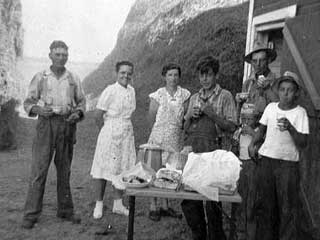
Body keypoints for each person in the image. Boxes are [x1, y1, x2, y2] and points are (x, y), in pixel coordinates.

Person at [21, 40, 86, 229]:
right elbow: (28, 102)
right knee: (39, 170)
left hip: (66, 125)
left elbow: (81, 102)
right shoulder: (41, 77)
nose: (61, 58)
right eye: (57, 54)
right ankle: (31, 214)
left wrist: (77, 113)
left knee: (64, 171)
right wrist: (39, 110)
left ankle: (65, 210)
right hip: (46, 125)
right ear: (50, 55)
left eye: (64, 54)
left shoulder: (73, 78)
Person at [181, 56, 237, 240]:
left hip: (216, 155)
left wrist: (211, 114)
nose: (204, 79)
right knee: (189, 200)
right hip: (196, 154)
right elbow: (186, 129)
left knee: (213, 204)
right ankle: (199, 235)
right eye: (201, 75)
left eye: (209, 75)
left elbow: (232, 127)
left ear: (216, 75)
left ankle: (215, 236)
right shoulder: (194, 97)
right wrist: (190, 116)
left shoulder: (225, 96)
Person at [248, 71, 309, 240]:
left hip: (288, 165)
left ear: (296, 93)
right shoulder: (271, 108)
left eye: (290, 89)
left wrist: (290, 127)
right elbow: (261, 131)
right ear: (278, 91)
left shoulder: (300, 113)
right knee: (266, 206)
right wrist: (253, 144)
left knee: (287, 209)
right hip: (267, 161)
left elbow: (303, 143)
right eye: (282, 89)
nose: (286, 93)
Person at [90, 61, 136, 219]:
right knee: (103, 168)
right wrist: (106, 131)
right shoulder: (110, 90)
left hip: (126, 135)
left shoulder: (132, 91)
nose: (126, 75)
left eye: (129, 73)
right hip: (110, 133)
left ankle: (118, 204)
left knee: (122, 168)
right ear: (116, 73)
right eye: (123, 72)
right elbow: (97, 115)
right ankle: (99, 204)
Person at [147, 63, 190, 221]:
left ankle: (165, 206)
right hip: (158, 138)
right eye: (170, 75)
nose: (173, 78)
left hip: (176, 138)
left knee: (169, 171)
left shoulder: (184, 95)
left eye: (176, 75)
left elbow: (186, 117)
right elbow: (151, 117)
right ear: (164, 77)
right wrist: (157, 134)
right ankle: (153, 206)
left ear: (179, 77)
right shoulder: (157, 94)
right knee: (154, 170)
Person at [232, 103, 261, 240]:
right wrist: (235, 142)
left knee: (252, 203)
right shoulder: (239, 131)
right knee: (239, 201)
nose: (246, 122)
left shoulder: (259, 132)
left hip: (254, 167)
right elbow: (234, 152)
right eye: (244, 119)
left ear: (256, 119)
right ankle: (239, 233)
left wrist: (253, 133)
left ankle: (252, 234)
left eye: (250, 119)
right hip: (241, 166)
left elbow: (264, 147)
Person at [236, 41, 279, 115]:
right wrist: (239, 102)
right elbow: (241, 111)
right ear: (251, 62)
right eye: (254, 61)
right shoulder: (248, 83)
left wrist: (268, 89)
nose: (258, 64)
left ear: (268, 61)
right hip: (249, 124)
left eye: (262, 60)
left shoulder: (276, 82)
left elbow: (281, 107)